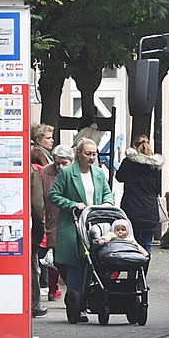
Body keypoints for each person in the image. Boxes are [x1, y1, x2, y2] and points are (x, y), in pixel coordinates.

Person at [49, 138, 115, 322]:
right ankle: (76, 304)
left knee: (96, 262)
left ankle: (92, 299)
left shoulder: (99, 172)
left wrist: (107, 202)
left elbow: (107, 192)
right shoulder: (68, 173)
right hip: (73, 224)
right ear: (79, 153)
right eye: (88, 153)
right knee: (77, 262)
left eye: (94, 154)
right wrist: (72, 204)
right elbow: (54, 195)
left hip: (95, 223)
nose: (92, 157)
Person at [115, 135, 164, 256]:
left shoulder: (128, 162)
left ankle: (132, 271)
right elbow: (158, 189)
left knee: (131, 242)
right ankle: (142, 272)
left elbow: (119, 177)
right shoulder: (155, 166)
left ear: (134, 146)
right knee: (146, 244)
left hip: (131, 208)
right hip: (150, 210)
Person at [41, 144, 75, 301]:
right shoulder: (46, 172)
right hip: (53, 221)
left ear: (72, 161)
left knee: (74, 259)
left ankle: (74, 290)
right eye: (57, 163)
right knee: (57, 259)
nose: (60, 166)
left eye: (64, 163)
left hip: (74, 221)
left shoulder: (77, 172)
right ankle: (62, 289)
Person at [31, 164, 48, 318]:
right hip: (26, 231)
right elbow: (37, 205)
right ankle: (34, 305)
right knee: (32, 267)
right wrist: (39, 231)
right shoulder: (31, 170)